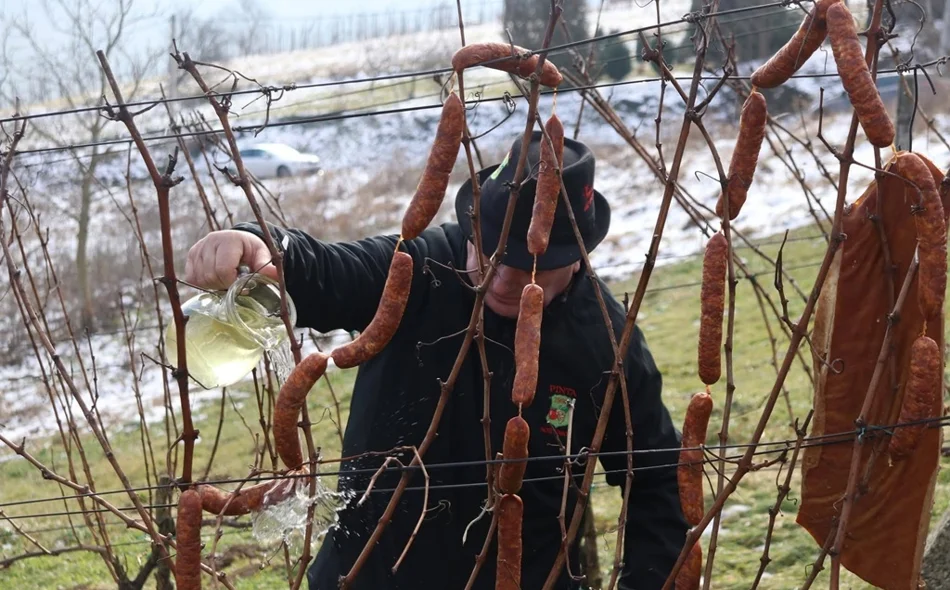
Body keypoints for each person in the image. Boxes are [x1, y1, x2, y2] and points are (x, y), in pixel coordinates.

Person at [183, 132, 689, 589]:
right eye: (491, 250)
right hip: (364, 578)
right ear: (472, 229)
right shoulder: (417, 271)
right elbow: (331, 273)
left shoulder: (605, 340)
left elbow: (658, 480)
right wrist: (261, 247)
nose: (504, 276)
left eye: (531, 264)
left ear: (577, 257)